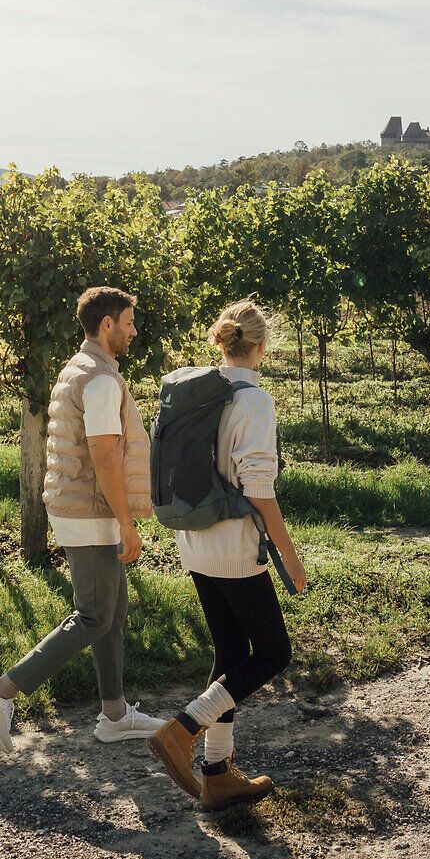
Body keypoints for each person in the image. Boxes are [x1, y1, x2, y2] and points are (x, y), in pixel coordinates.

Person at [0, 285, 165, 755]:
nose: (134, 330)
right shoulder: (98, 379)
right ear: (106, 325)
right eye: (129, 322)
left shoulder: (82, 370)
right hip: (92, 511)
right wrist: (127, 522)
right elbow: (102, 453)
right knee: (95, 615)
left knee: (112, 612)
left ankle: (115, 715)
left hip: (81, 506)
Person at [148, 298, 306, 809]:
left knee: (231, 654)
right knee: (273, 653)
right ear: (261, 347)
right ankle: (182, 729)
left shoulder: (199, 392)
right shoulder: (254, 402)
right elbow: (259, 490)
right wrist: (289, 553)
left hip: (194, 540)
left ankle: (217, 773)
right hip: (236, 545)